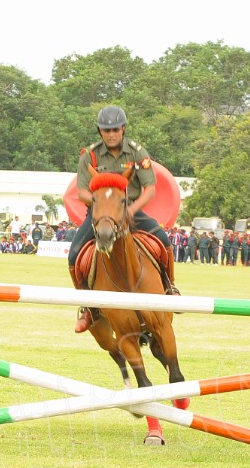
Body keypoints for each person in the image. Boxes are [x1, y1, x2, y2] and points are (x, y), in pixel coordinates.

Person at [69, 105, 177, 334]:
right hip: (99, 215)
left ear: (124, 129)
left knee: (164, 241)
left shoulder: (138, 152)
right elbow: (81, 192)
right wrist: (102, 206)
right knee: (74, 253)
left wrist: (131, 209)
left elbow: (150, 189)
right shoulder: (89, 155)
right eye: (106, 130)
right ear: (100, 131)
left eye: (115, 129)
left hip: (130, 210)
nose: (111, 134)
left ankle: (170, 288)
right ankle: (88, 308)